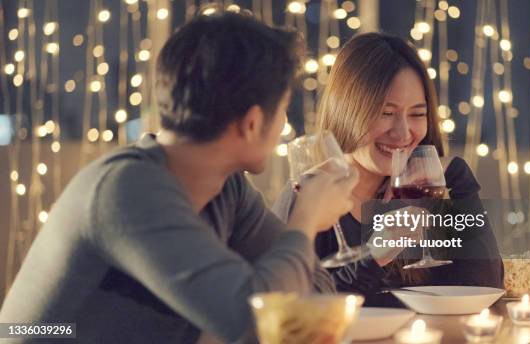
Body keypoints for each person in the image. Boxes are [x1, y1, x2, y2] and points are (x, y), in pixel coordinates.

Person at [0, 12, 356, 343]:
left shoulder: (227, 187)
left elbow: (313, 292)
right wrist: (306, 220)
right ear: (250, 123)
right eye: (282, 110)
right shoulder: (126, 189)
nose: (283, 126)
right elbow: (252, 320)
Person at [273, 33, 503, 307]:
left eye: (417, 114)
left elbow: (486, 287)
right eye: (385, 113)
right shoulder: (309, 195)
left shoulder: (431, 188)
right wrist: (371, 259)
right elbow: (291, 310)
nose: (403, 133)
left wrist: (460, 185)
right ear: (348, 111)